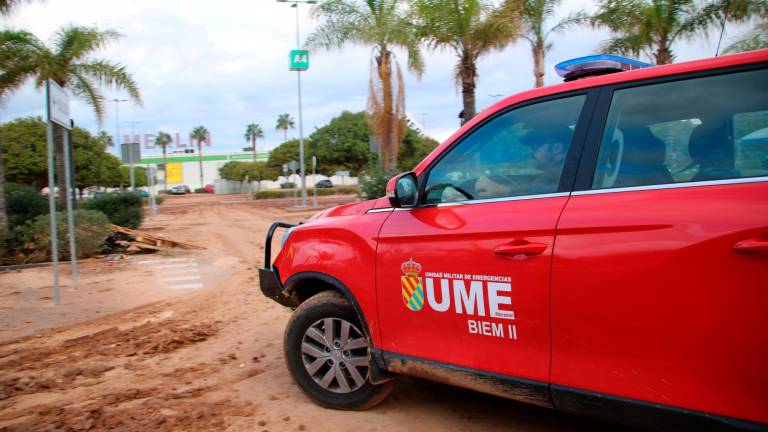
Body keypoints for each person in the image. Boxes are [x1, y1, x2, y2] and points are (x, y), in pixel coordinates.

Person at [472, 127, 572, 198]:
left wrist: (503, 191)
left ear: (557, 147)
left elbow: (545, 198)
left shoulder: (567, 175)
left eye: (536, 146)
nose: (532, 153)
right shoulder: (560, 172)